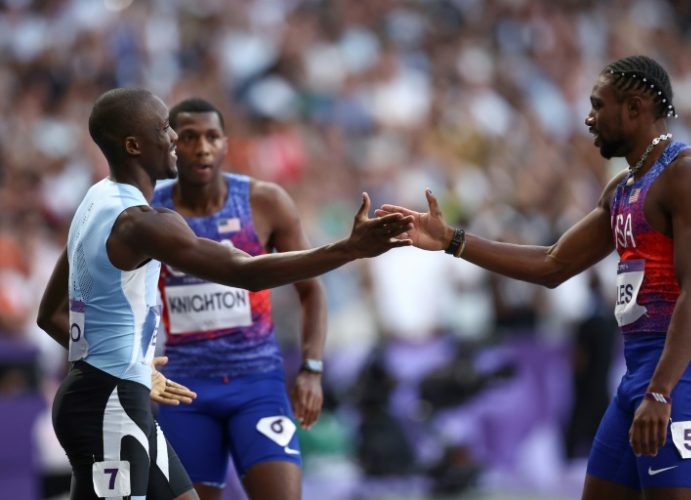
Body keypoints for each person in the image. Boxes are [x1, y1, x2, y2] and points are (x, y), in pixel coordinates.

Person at [376, 55, 691, 499]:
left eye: (599, 105)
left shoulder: (688, 176)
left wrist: (661, 392)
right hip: (639, 372)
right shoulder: (622, 189)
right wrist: (452, 240)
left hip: (683, 375)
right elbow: (552, 265)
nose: (589, 118)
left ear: (635, 108)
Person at [36, 88, 413, 500]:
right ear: (133, 145)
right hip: (109, 406)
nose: (176, 140)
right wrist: (349, 249)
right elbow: (243, 272)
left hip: (123, 392)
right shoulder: (145, 223)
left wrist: (130, 365)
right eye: (166, 129)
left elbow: (50, 313)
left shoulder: (95, 199)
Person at [149, 97, 325, 500]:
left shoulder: (264, 203)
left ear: (227, 144)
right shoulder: (149, 213)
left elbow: (312, 289)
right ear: (172, 145)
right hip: (184, 388)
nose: (202, 148)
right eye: (189, 137)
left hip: (257, 383)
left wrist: (312, 367)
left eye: (212, 137)